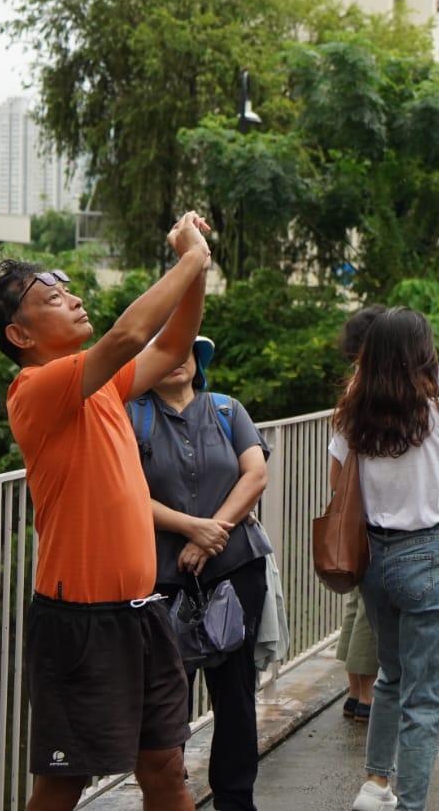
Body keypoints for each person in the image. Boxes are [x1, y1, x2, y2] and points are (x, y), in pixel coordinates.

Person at [0, 212, 211, 811]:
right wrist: (189, 258)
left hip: (141, 610)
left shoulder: (100, 384)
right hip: (79, 622)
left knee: (166, 769)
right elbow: (130, 337)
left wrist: (197, 266)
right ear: (21, 337)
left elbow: (176, 344)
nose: (75, 300)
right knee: (61, 786)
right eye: (55, 298)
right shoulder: (37, 388)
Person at [332, 308, 439, 811]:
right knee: (425, 697)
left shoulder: (351, 412)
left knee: (391, 674)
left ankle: (375, 784)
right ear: (421, 356)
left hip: (374, 558)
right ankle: (410, 804)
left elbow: (337, 485)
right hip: (427, 553)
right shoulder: (438, 413)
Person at [133, 337, 271, 811]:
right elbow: (127, 493)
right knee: (168, 696)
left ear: (198, 362)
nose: (175, 361)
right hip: (164, 578)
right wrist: (192, 530)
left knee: (235, 691)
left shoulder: (228, 410)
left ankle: (235, 799)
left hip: (235, 567)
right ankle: (173, 793)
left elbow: (254, 474)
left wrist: (214, 532)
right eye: (163, 354)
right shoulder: (133, 416)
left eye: (184, 352)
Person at [334, 307, 385, 723]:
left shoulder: (355, 385)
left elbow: (338, 462)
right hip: (372, 512)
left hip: (355, 509)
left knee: (358, 602)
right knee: (370, 607)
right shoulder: (371, 388)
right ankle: (365, 696)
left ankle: (356, 691)